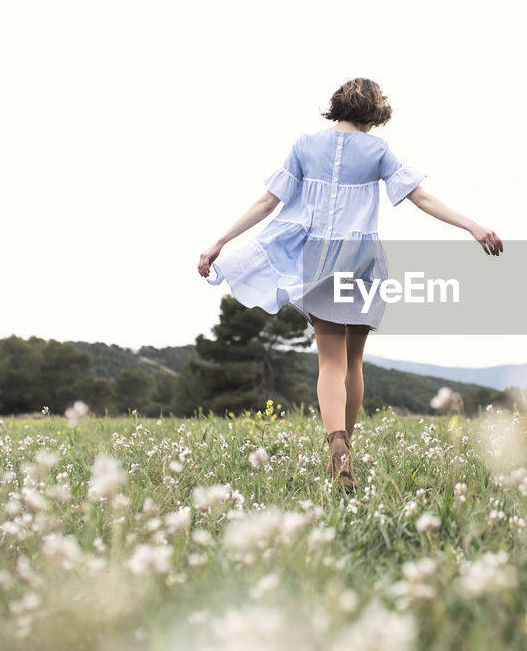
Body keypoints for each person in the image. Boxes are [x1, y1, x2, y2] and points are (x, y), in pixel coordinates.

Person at [196, 78, 502, 492]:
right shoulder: (378, 151)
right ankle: (345, 450)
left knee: (330, 363)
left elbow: (267, 202)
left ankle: (335, 444)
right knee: (354, 363)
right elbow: (422, 198)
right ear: (374, 112)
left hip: (318, 261)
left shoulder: (305, 145)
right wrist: (473, 226)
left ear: (337, 105)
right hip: (363, 261)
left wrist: (220, 241)